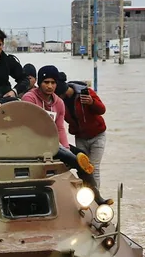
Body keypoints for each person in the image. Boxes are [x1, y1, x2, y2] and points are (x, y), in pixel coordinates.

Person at [21, 65, 103, 195]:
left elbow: (60, 128)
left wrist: (66, 148)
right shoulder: (29, 98)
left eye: (53, 82)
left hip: (53, 142)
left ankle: (94, 196)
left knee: (83, 159)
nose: (49, 86)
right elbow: (28, 125)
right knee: (75, 160)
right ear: (39, 82)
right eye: (46, 82)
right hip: (34, 142)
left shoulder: (59, 102)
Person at [61, 78, 108, 188]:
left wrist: (92, 102)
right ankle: (86, 193)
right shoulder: (59, 102)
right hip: (80, 137)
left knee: (93, 167)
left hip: (98, 135)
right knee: (83, 167)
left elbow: (102, 110)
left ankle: (96, 194)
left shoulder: (85, 92)